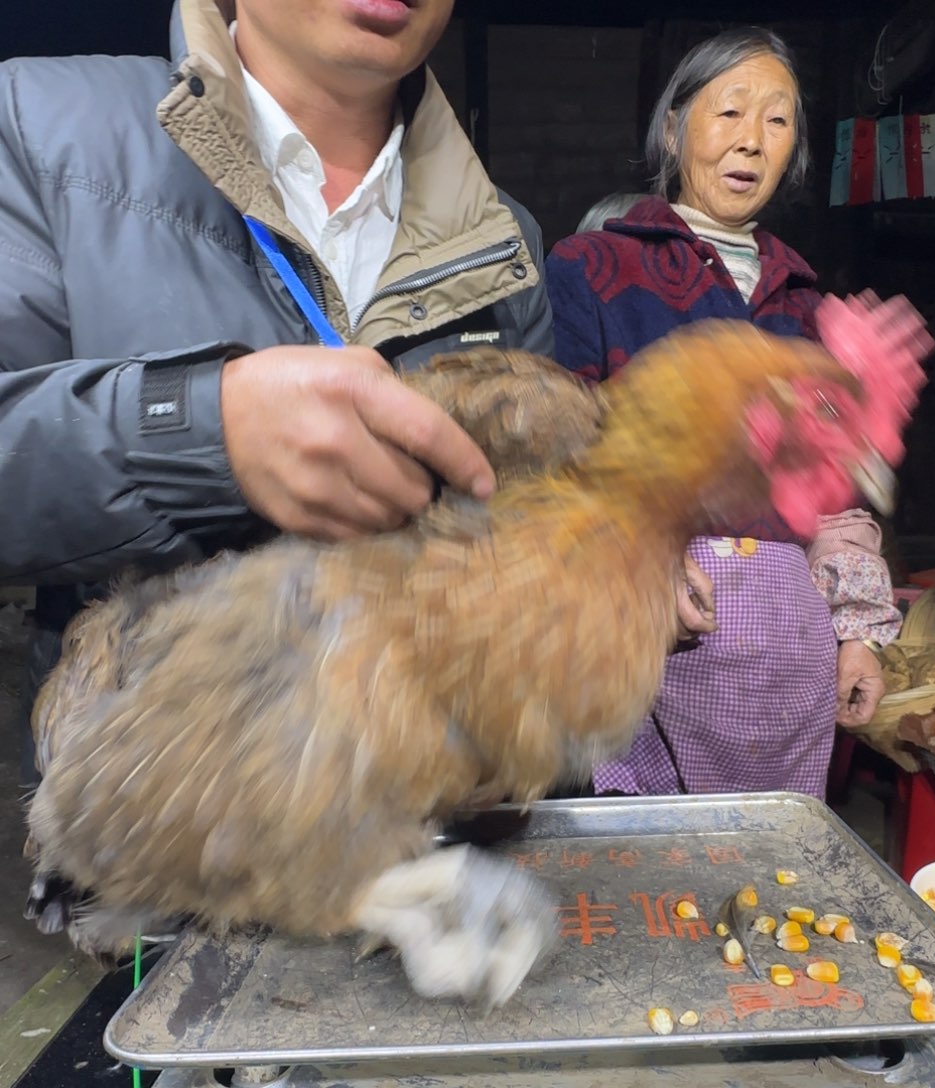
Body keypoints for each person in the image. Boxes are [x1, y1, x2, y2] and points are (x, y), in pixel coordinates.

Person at [0, 0, 551, 778]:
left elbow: (519, 539)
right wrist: (201, 432)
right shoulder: (41, 126)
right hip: (157, 835)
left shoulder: (506, 244)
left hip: (422, 832)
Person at [545, 28, 904, 798]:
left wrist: (856, 638)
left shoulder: (809, 309)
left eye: (777, 122)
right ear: (673, 129)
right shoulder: (597, 268)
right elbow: (559, 455)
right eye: (730, 111)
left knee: (770, 878)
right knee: (648, 875)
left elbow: (836, 500)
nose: (751, 141)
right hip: (651, 645)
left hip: (787, 661)